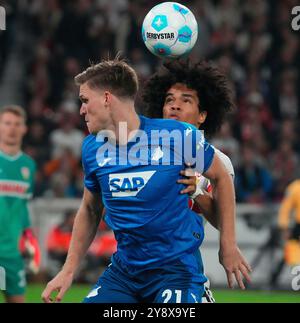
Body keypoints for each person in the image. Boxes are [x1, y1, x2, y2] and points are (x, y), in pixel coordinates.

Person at [42, 57, 250, 303]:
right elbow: (89, 208)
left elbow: (222, 181)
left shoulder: (184, 141)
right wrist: (68, 270)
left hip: (175, 272)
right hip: (125, 272)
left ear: (107, 98)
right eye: (169, 100)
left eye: (85, 100)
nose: (81, 109)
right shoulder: (92, 148)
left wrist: (227, 244)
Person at [143, 59, 248, 295]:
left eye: (185, 100)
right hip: (134, 264)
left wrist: (198, 190)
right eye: (169, 100)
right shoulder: (140, 151)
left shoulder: (217, 163)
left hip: (179, 266)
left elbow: (222, 221)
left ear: (202, 116)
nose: (174, 106)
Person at [0, 105, 37, 303]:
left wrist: (28, 235)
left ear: (24, 128)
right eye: (7, 123)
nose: (12, 128)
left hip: (12, 254)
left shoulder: (28, 165)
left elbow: (23, 205)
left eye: (17, 124)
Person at [269, 179, 300, 288]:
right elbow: (285, 208)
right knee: (289, 254)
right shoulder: (295, 187)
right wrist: (284, 227)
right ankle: (274, 280)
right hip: (298, 228)